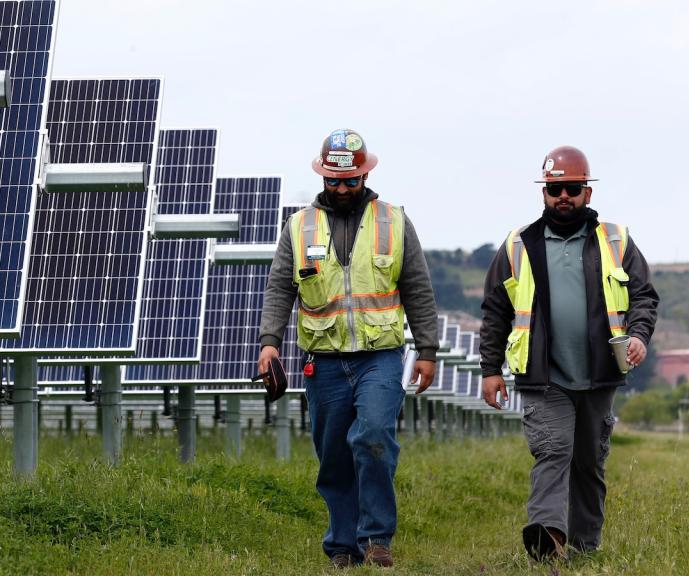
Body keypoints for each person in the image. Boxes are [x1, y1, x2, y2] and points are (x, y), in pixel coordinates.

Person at [258, 129, 439, 569]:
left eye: (351, 181)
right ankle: (342, 545)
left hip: (380, 355)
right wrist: (269, 344)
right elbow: (280, 288)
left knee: (374, 436)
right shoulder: (299, 226)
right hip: (324, 360)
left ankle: (377, 537)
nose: (342, 189)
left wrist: (429, 350)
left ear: (365, 175)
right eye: (334, 181)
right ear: (323, 177)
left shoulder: (393, 221)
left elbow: (417, 287)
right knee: (334, 453)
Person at [479, 145, 659, 561]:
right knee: (552, 451)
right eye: (554, 188)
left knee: (588, 463)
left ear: (587, 193)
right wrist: (490, 370)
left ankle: (585, 545)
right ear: (544, 192)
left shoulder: (616, 240)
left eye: (572, 188)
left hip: (600, 373)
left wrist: (638, 336)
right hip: (545, 376)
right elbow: (494, 310)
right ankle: (548, 537)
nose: (563, 196)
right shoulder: (518, 245)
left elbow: (644, 297)